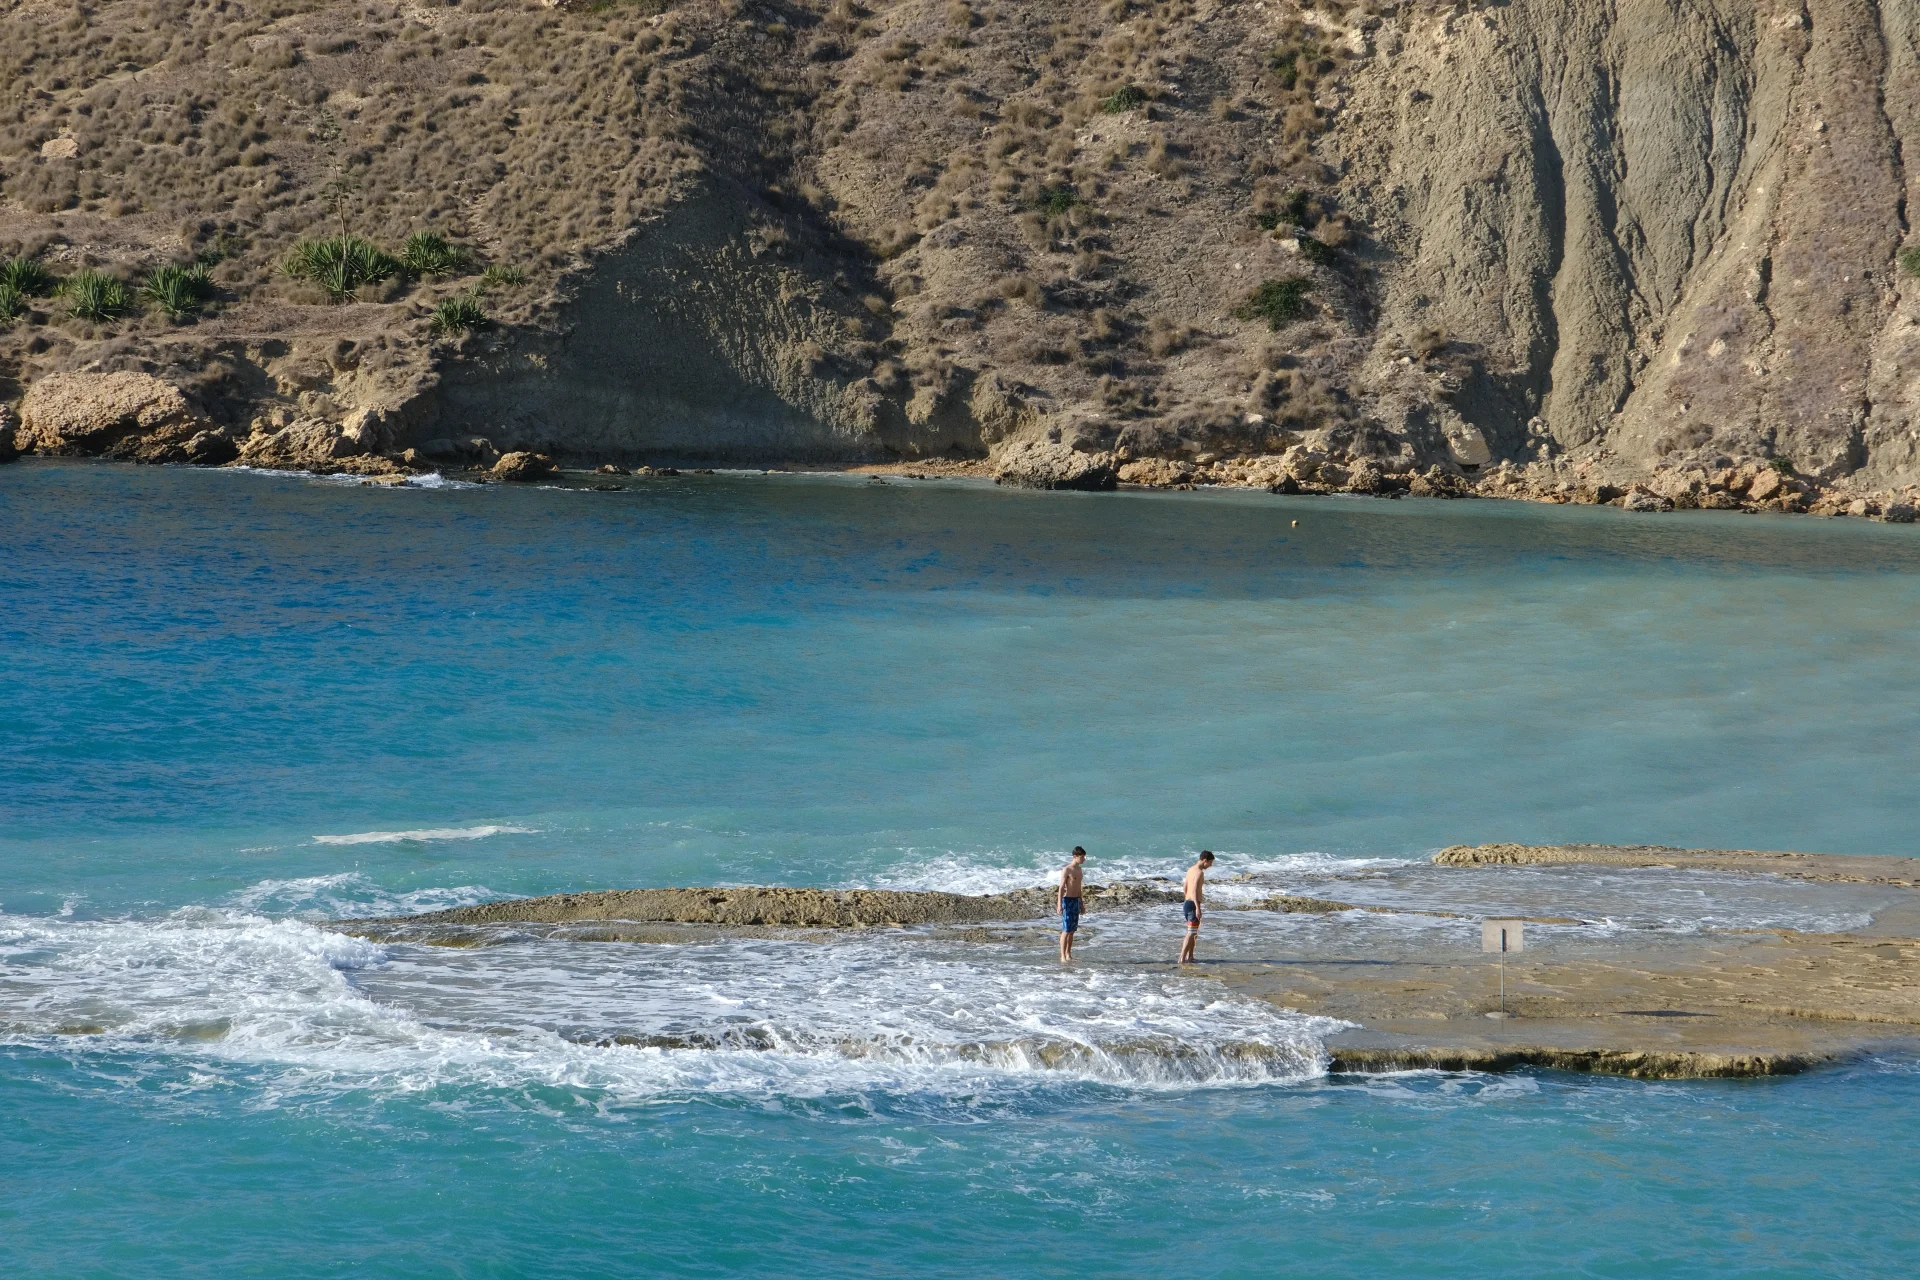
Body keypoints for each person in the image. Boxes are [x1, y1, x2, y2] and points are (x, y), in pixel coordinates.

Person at [1178, 850, 1214, 964]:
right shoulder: (1199, 873)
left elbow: (1185, 887)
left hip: (1187, 903)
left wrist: (1187, 899)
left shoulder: (1190, 870)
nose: (1210, 865)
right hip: (1193, 904)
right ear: (1205, 860)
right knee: (1191, 932)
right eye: (1210, 863)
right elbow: (1193, 891)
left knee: (1193, 932)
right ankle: (1182, 957)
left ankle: (1190, 956)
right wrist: (1197, 907)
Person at [1056, 846, 1087, 962]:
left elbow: (1079, 888)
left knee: (1072, 931)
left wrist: (1082, 904)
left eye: (1084, 857)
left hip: (1076, 901)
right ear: (1075, 856)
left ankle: (1068, 954)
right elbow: (1061, 888)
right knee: (1066, 930)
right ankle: (1062, 956)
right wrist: (1059, 904)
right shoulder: (1067, 869)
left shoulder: (1079, 870)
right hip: (1067, 900)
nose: (1084, 859)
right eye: (1082, 857)